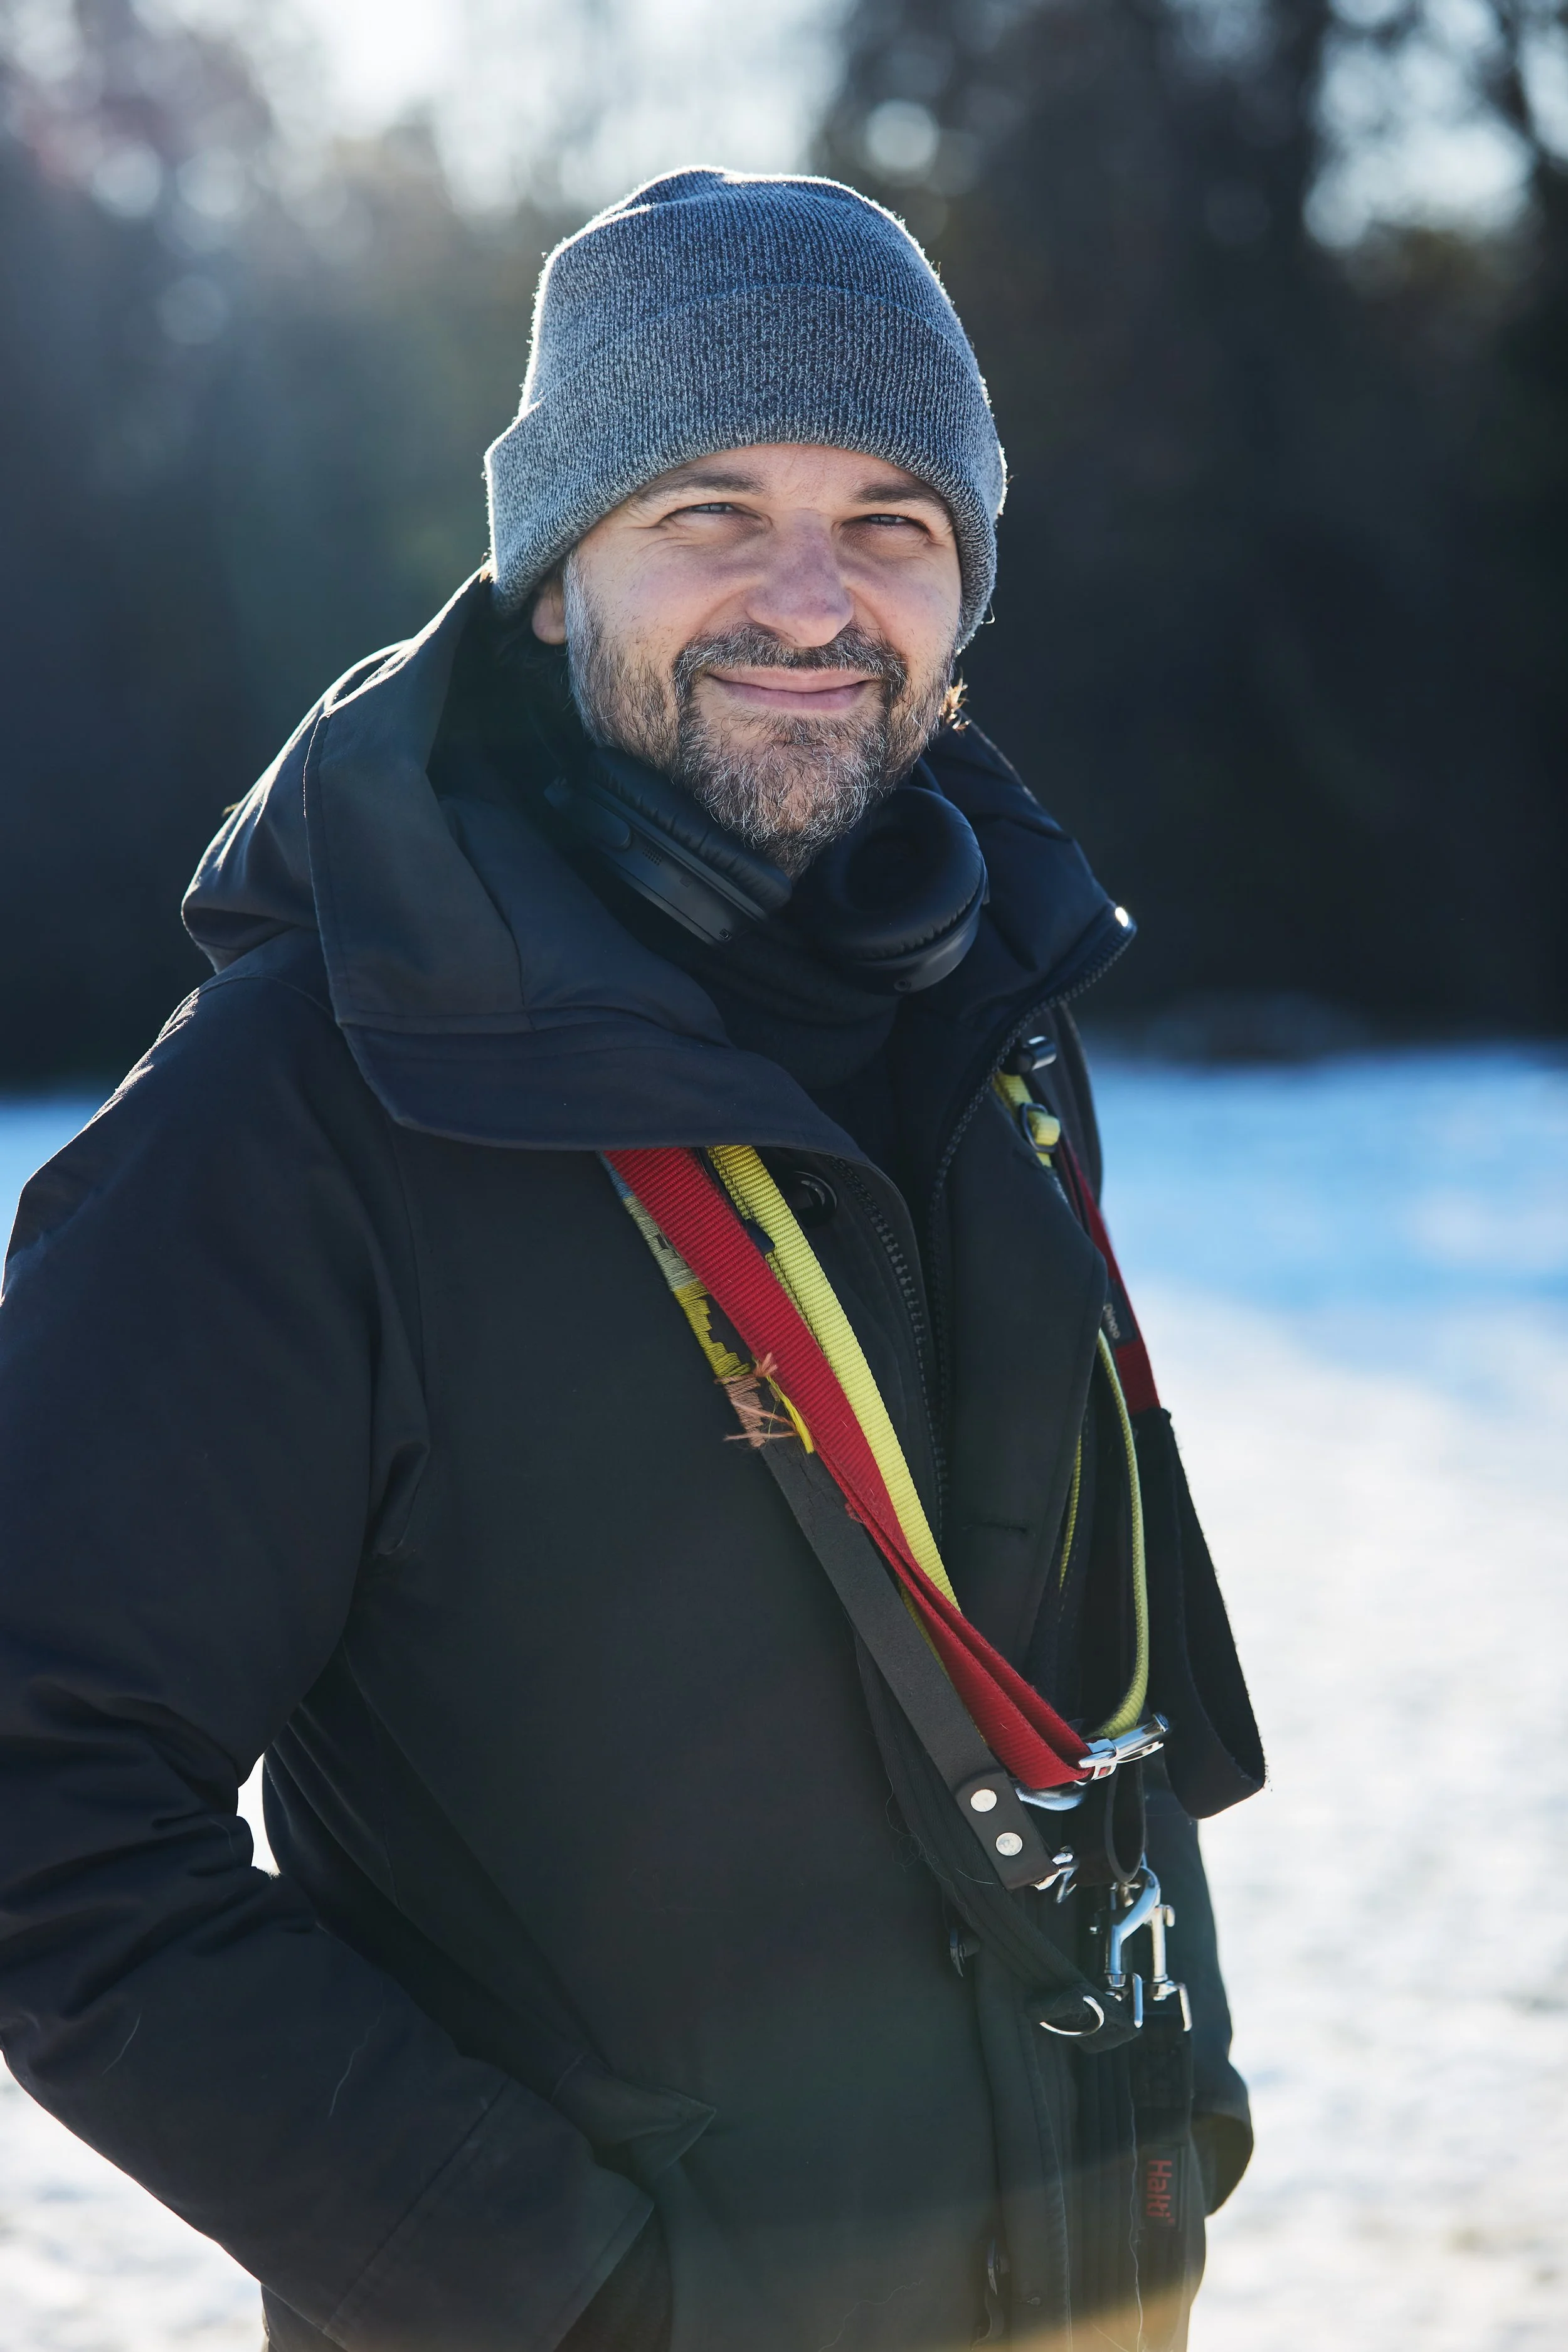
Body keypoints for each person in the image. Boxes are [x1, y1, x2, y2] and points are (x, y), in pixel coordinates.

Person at [0, 169, 1261, 2351]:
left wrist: (1168, 2124)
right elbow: (39, 1796)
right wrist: (559, 2286)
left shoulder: (982, 1020)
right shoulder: (302, 1101)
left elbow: (1058, 1668)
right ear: (552, 564)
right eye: (707, 507)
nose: (811, 593)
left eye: (891, 518)